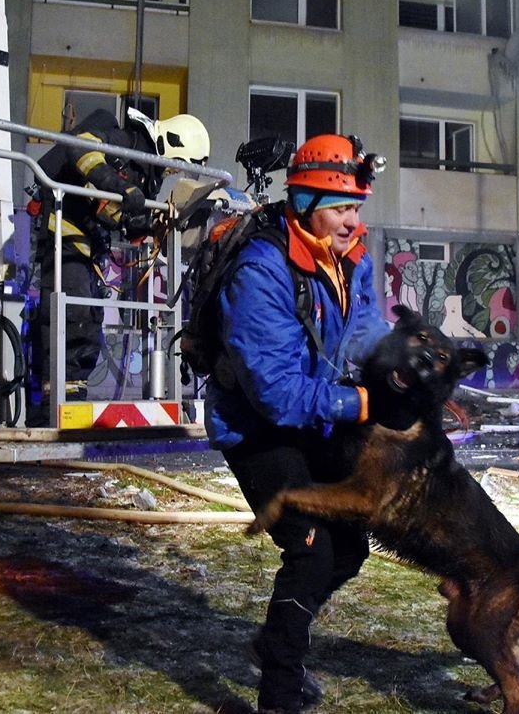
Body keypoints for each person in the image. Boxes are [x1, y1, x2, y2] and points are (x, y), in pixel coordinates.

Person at [205, 133, 390, 713]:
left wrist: (401, 363)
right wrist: (361, 404)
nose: (351, 220)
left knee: (351, 547)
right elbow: (275, 390)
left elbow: (361, 329)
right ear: (306, 202)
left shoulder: (348, 256)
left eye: (357, 207)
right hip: (256, 426)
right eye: (340, 207)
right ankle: (279, 694)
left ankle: (274, 638)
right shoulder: (262, 268)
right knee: (311, 546)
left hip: (312, 418)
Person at [33, 107, 210, 409]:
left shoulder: (143, 177)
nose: (173, 171)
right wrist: (119, 187)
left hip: (88, 245)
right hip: (63, 232)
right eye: (176, 164)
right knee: (72, 312)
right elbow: (80, 148)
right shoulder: (115, 132)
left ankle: (67, 400)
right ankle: (54, 405)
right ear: (170, 143)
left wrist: (157, 223)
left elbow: (122, 219)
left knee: (88, 318)